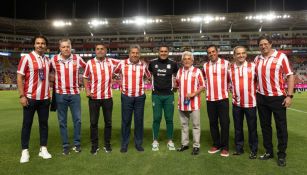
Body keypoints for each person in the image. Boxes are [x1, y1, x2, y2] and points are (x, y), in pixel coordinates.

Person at [254, 35, 294, 167]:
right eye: (261, 44)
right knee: (265, 127)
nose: (263, 46)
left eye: (265, 44)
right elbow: (254, 78)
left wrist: (289, 96)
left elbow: (290, 76)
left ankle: (281, 154)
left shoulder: (281, 57)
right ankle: (268, 151)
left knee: (281, 127)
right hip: (261, 97)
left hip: (277, 98)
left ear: (270, 44)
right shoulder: (257, 59)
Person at [17, 35, 52, 163]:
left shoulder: (48, 60)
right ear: (34, 45)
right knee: (27, 124)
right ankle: (25, 151)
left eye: (43, 43)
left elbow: (49, 76)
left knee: (44, 125)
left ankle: (43, 149)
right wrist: (22, 95)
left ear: (46, 46)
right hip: (30, 98)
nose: (40, 45)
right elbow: (20, 77)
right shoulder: (26, 58)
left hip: (44, 99)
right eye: (38, 43)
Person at [50, 38, 86, 155]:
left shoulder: (77, 58)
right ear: (60, 48)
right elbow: (45, 71)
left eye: (68, 46)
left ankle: (77, 144)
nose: (66, 49)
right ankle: (65, 145)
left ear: (71, 47)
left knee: (78, 120)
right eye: (63, 47)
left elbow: (89, 69)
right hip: (60, 95)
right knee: (62, 121)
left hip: (75, 94)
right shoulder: (54, 59)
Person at [114, 44, 151, 153]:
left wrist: (146, 84)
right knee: (126, 121)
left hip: (140, 97)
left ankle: (138, 143)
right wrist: (119, 82)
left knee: (139, 121)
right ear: (129, 53)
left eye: (137, 53)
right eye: (133, 53)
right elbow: (114, 74)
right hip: (126, 96)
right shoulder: (122, 63)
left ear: (139, 54)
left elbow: (149, 77)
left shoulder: (143, 65)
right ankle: (124, 144)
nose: (135, 55)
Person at [83, 44, 119, 155]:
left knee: (108, 123)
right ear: (95, 51)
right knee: (93, 122)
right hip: (94, 98)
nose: (100, 51)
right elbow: (85, 77)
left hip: (107, 97)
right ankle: (95, 145)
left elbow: (125, 63)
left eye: (102, 49)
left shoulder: (111, 62)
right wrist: (87, 91)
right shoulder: (90, 63)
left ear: (106, 50)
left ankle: (107, 144)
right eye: (97, 49)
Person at [228, 46, 258, 159]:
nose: (241, 55)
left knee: (252, 128)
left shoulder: (253, 66)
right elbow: (228, 84)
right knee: (238, 128)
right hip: (237, 104)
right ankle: (239, 148)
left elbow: (259, 81)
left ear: (246, 54)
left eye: (243, 53)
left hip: (251, 104)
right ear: (234, 55)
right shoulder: (230, 69)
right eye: (238, 53)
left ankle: (253, 150)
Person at [148, 45, 179, 151]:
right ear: (158, 52)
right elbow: (148, 75)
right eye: (161, 51)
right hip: (156, 95)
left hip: (169, 95)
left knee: (169, 119)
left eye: (165, 51)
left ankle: (170, 140)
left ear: (168, 52)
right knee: (156, 118)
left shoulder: (173, 64)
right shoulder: (152, 64)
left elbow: (177, 76)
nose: (163, 53)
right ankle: (155, 140)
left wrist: (175, 85)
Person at [203, 45, 230, 157]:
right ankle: (216, 144)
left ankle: (225, 147)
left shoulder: (226, 63)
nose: (212, 54)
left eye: (213, 51)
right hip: (210, 99)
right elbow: (205, 80)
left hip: (223, 98)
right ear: (208, 54)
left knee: (224, 123)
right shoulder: (205, 66)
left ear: (217, 52)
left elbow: (230, 79)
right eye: (209, 52)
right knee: (213, 123)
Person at [176, 51, 205, 155]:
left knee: (196, 125)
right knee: (184, 125)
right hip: (182, 103)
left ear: (192, 60)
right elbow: (177, 84)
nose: (187, 60)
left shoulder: (197, 71)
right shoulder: (179, 71)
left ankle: (196, 146)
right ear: (182, 61)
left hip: (194, 104)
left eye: (189, 59)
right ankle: (185, 144)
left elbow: (202, 86)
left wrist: (194, 93)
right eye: (185, 59)